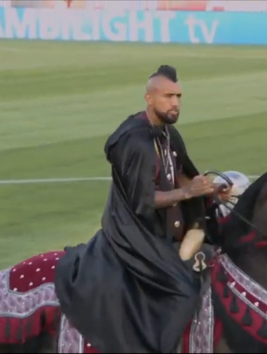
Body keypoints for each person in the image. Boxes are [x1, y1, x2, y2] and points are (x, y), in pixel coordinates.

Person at [54, 65, 228, 353]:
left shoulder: (169, 134)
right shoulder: (135, 142)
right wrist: (187, 192)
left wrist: (209, 189)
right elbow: (143, 202)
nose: (175, 103)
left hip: (160, 231)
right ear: (149, 99)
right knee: (182, 290)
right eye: (168, 96)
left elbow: (185, 176)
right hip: (132, 234)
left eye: (179, 96)